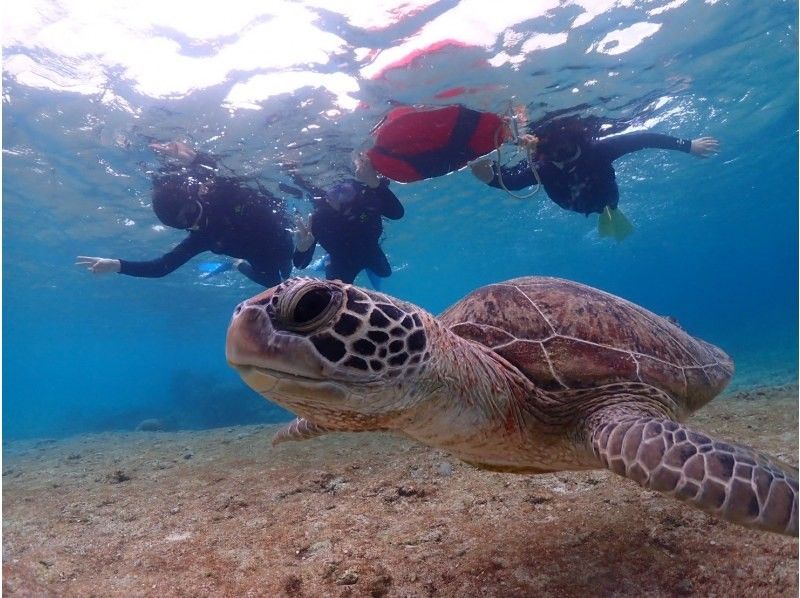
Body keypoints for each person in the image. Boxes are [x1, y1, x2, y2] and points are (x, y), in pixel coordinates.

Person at [76, 141, 302, 287]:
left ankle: (238, 264)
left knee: (289, 267)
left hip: (281, 238)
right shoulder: (202, 237)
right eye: (183, 224)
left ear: (196, 199)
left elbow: (216, 170)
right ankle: (237, 264)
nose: (195, 223)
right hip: (261, 259)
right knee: (275, 283)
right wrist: (118, 265)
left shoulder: (219, 194)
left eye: (192, 212)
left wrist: (194, 159)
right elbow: (161, 268)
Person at [470, 116, 720, 240]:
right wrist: (486, 170)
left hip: (606, 198)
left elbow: (643, 138)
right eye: (555, 154)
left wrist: (688, 145)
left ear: (579, 143)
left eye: (567, 151)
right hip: (573, 203)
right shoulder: (542, 166)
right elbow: (511, 181)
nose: (563, 159)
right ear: (544, 152)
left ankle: (610, 213)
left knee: (609, 205)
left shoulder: (599, 149)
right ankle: (608, 215)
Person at [291, 155, 405, 285]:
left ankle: (366, 268)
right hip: (340, 260)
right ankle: (326, 261)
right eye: (332, 192)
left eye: (343, 190)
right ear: (327, 199)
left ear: (356, 191)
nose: (337, 192)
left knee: (385, 273)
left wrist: (376, 185)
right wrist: (302, 249)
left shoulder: (368, 201)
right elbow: (300, 265)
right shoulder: (320, 220)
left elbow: (397, 214)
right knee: (336, 289)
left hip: (371, 251)